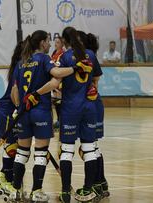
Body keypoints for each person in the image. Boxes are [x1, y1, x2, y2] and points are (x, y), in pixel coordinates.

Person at [9, 30, 88, 202]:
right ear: (42, 43)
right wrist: (75, 68)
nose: (50, 44)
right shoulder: (44, 59)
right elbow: (57, 75)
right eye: (48, 41)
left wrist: (18, 107)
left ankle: (15, 191)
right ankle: (36, 191)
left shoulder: (21, 63)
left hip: (23, 112)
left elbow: (14, 91)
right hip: (41, 112)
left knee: (22, 153)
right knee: (40, 153)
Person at [57, 27, 100, 203]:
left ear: (65, 41)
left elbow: (57, 79)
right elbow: (96, 80)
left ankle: (66, 192)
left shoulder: (65, 57)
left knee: (67, 151)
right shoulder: (91, 54)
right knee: (90, 150)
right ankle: (88, 189)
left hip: (70, 108)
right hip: (89, 107)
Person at [78, 31, 110, 200]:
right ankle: (101, 183)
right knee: (92, 148)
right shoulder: (83, 56)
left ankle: (96, 185)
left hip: (92, 105)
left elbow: (96, 80)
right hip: (91, 105)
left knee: (90, 148)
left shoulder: (88, 56)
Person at [0, 41, 23, 196]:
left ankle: (7, 177)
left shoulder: (19, 65)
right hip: (7, 111)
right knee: (11, 146)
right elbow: (14, 92)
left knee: (14, 146)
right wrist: (18, 108)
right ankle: (5, 177)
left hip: (7, 109)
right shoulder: (20, 66)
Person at [51, 37, 65, 131]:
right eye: (55, 42)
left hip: (60, 81)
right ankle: (58, 120)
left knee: (60, 101)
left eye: (58, 42)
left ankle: (61, 121)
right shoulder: (54, 53)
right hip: (53, 79)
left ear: (62, 44)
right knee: (56, 101)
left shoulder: (62, 54)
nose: (56, 44)